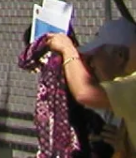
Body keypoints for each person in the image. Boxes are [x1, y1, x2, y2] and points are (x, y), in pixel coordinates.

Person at [47, 17, 136, 152]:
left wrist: (68, 50)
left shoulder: (131, 87)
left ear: (120, 56)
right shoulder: (113, 103)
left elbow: (85, 93)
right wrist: (124, 149)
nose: (92, 63)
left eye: (95, 56)